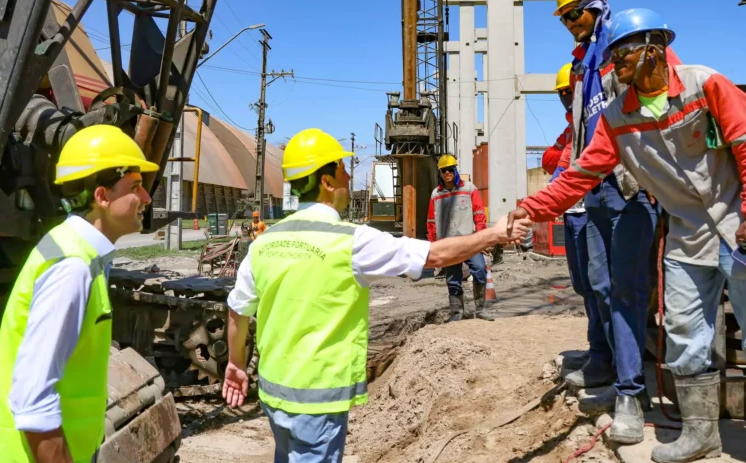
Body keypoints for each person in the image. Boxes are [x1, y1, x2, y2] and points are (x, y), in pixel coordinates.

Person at [508, 9, 746, 460]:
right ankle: (701, 434)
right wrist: (531, 209)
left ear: (651, 50)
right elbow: (581, 174)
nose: (614, 66)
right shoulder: (617, 115)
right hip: (688, 232)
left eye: (621, 56)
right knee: (683, 331)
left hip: (741, 223)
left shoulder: (705, 85)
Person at [223, 128, 532, 462]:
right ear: (326, 182)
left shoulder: (265, 242)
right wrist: (495, 234)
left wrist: (236, 364)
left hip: (273, 394)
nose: (348, 176)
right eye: (342, 169)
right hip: (317, 400)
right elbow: (434, 256)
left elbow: (237, 310)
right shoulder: (350, 241)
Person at [0, 126, 157, 462]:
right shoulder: (72, 268)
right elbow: (33, 399)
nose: (146, 198)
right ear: (102, 197)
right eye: (135, 187)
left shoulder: (80, 254)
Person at [551, 0, 663, 438]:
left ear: (596, 8)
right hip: (594, 186)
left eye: (574, 14)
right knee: (599, 285)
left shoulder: (622, 47)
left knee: (627, 292)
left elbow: (654, 106)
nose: (569, 24)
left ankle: (632, 394)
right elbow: (584, 131)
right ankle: (609, 369)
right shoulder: (583, 64)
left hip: (627, 186)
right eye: (564, 19)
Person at [541, 63, 610, 377]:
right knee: (583, 285)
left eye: (570, 91)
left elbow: (567, 169)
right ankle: (597, 350)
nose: (566, 98)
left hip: (590, 211)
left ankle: (604, 356)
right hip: (572, 211)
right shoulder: (571, 130)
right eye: (562, 93)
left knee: (598, 286)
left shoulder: (592, 123)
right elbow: (551, 162)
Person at [426, 154, 490, 321]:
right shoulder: (436, 194)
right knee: (453, 279)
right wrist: (432, 244)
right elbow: (431, 221)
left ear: (455, 170)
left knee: (480, 270)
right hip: (448, 244)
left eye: (450, 169)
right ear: (440, 173)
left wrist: (482, 238)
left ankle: (480, 310)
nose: (447, 173)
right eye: (444, 170)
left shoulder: (469, 189)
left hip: (469, 241)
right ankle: (457, 313)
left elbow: (479, 214)